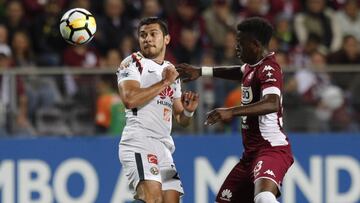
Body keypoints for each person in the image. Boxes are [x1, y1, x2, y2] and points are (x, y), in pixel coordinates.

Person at [176, 17, 294, 203]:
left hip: (271, 149)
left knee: (264, 197)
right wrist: (201, 71)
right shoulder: (251, 67)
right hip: (250, 156)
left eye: (240, 44)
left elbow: (272, 103)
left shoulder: (269, 68)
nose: (236, 48)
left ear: (255, 45)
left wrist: (231, 111)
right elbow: (238, 72)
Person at [116, 17, 199, 203]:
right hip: (139, 140)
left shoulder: (171, 70)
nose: (147, 39)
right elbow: (129, 99)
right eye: (143, 35)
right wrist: (164, 82)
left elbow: (180, 118)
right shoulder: (132, 63)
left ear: (166, 39)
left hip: (163, 146)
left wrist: (188, 111)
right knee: (152, 199)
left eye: (153, 34)